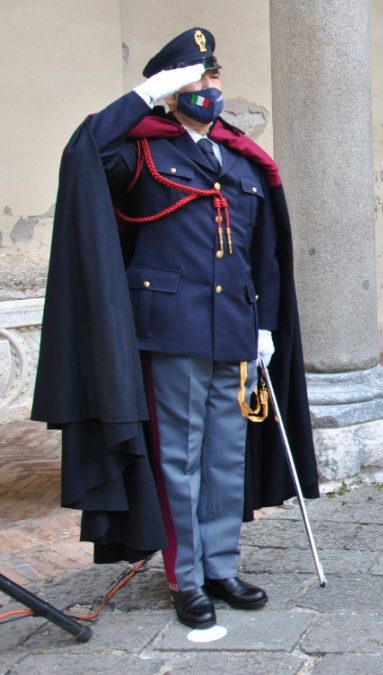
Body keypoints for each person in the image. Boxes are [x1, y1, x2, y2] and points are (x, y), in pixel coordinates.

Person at [31, 28, 319, 630]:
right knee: (179, 460)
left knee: (223, 456)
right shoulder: (138, 150)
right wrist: (141, 97)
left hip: (234, 329)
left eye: (213, 75)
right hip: (169, 328)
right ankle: (185, 577)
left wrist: (264, 325)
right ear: (168, 89)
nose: (208, 87)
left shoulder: (239, 157)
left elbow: (262, 252)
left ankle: (221, 564)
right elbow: (82, 149)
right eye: (193, 77)